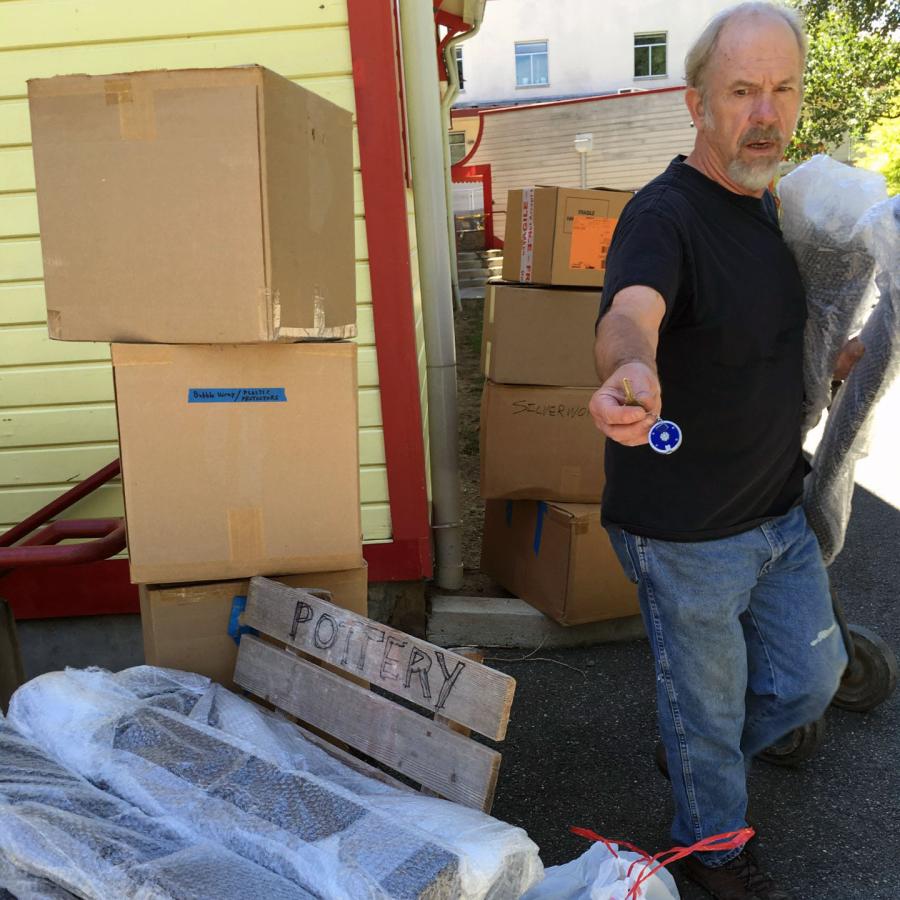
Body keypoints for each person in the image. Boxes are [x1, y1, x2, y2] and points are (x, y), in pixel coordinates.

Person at [589, 3, 863, 898]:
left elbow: (766, 345)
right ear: (696, 103)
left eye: (782, 89)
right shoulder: (663, 215)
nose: (766, 112)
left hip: (774, 510)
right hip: (685, 532)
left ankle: (702, 762)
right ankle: (712, 846)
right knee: (706, 711)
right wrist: (629, 369)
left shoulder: (774, 211)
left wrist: (838, 365)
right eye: (742, 90)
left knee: (810, 680)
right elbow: (633, 313)